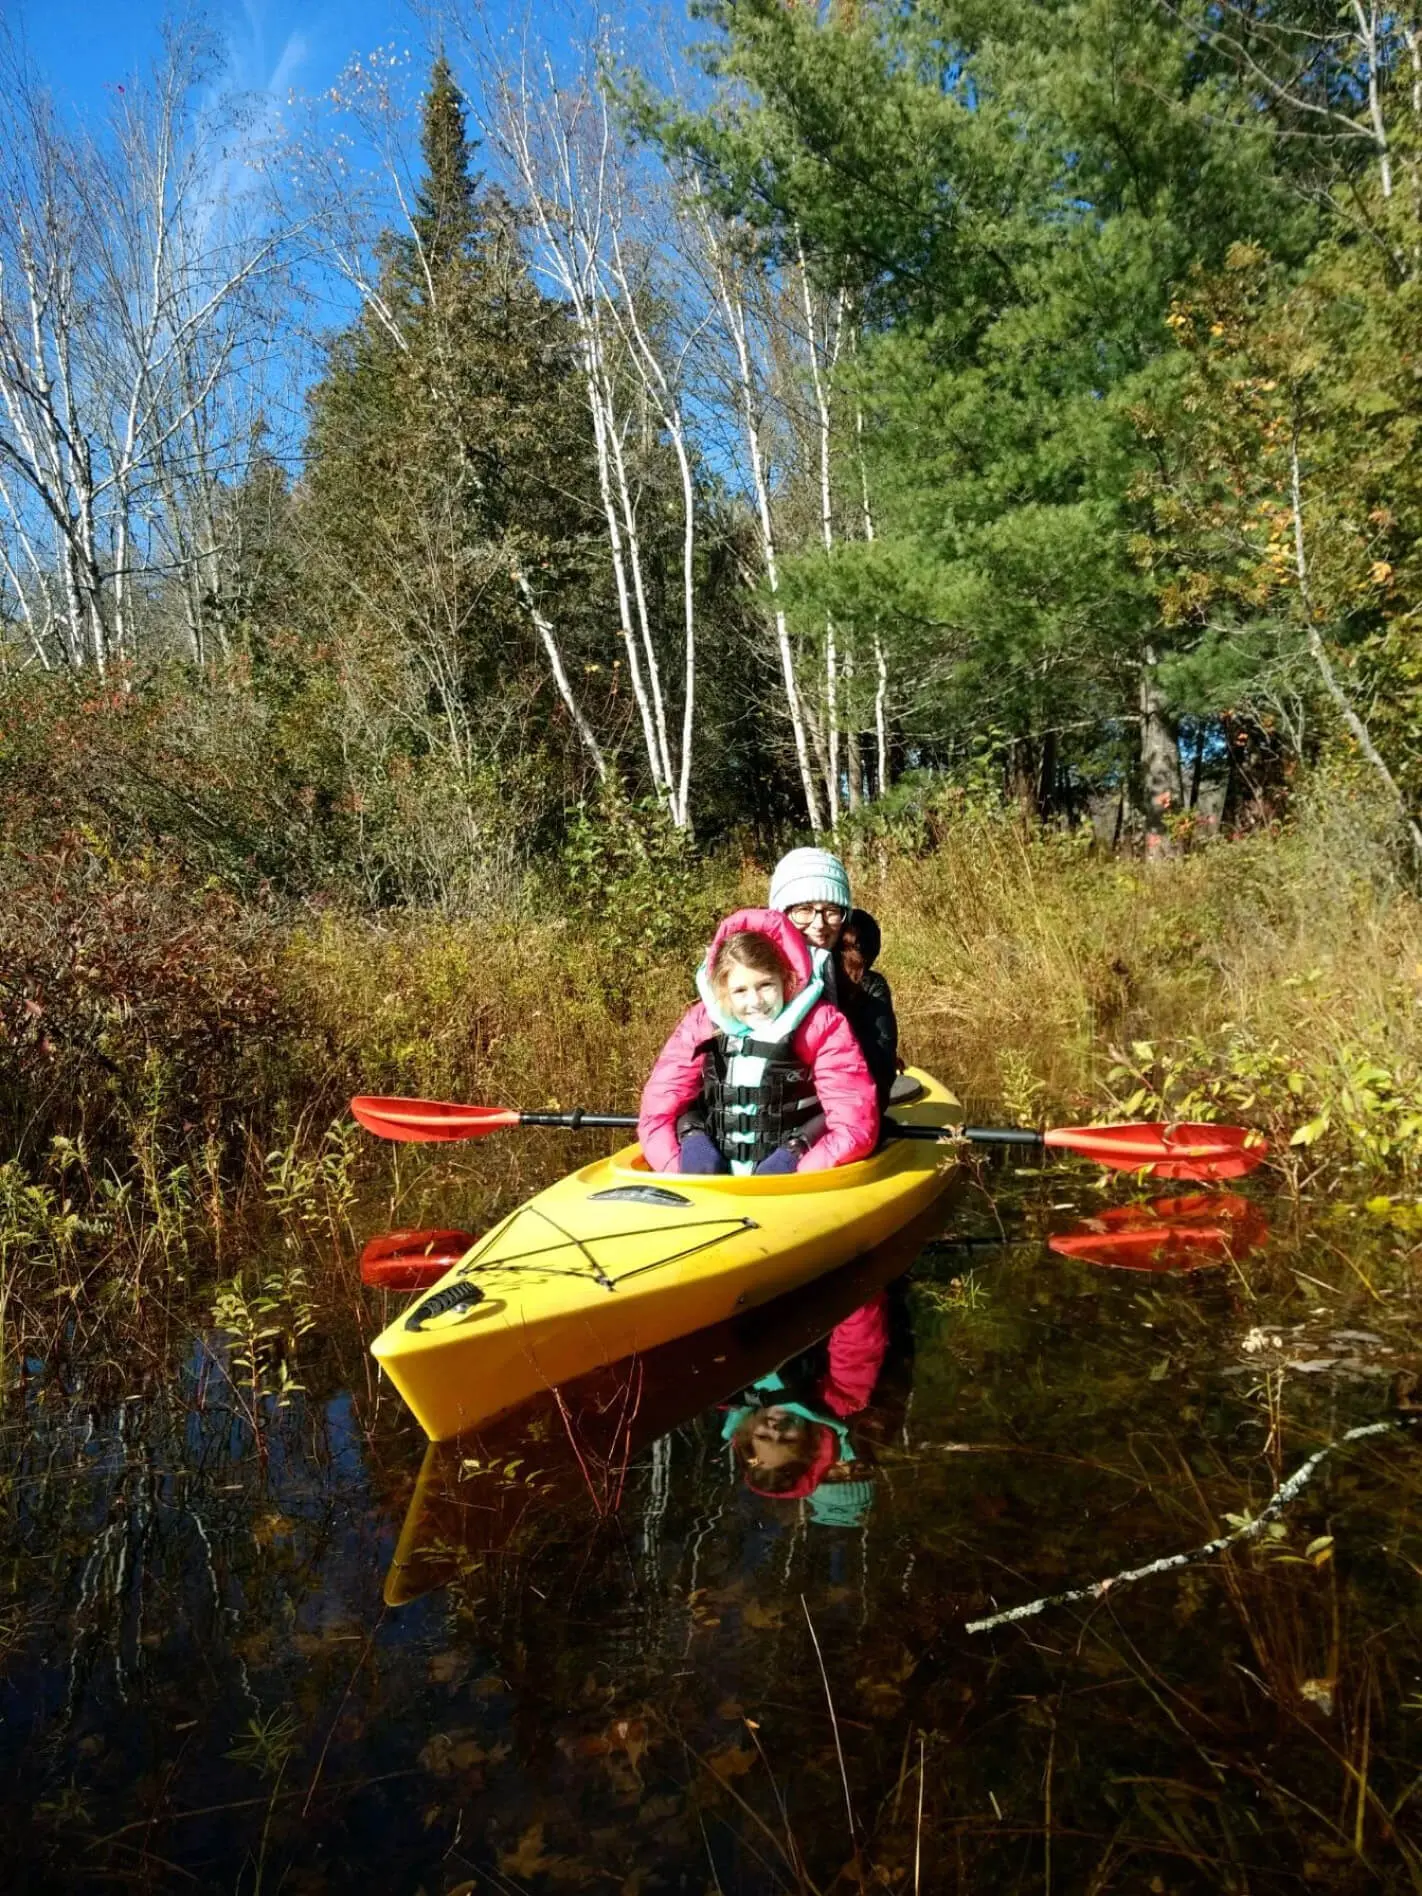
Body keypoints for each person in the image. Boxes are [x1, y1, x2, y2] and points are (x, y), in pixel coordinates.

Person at [638, 907, 878, 1177]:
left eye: (765, 986)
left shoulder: (821, 1024)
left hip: (791, 1173)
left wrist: (799, 1170)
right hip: (712, 1178)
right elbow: (657, 1114)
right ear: (723, 991)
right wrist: (680, 1165)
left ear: (786, 979)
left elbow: (854, 1126)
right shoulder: (701, 1023)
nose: (755, 1002)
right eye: (740, 990)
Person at [723, 1291, 890, 1524]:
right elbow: (857, 1336)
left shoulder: (730, 1397)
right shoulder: (839, 1400)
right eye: (787, 1439)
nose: (775, 1428)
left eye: (763, 1435)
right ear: (811, 1443)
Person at [768, 847, 899, 1110]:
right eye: (804, 910)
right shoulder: (750, 977)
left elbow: (877, 1082)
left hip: (834, 1123)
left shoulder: (868, 987)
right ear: (782, 914)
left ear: (845, 917)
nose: (819, 924)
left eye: (831, 911)